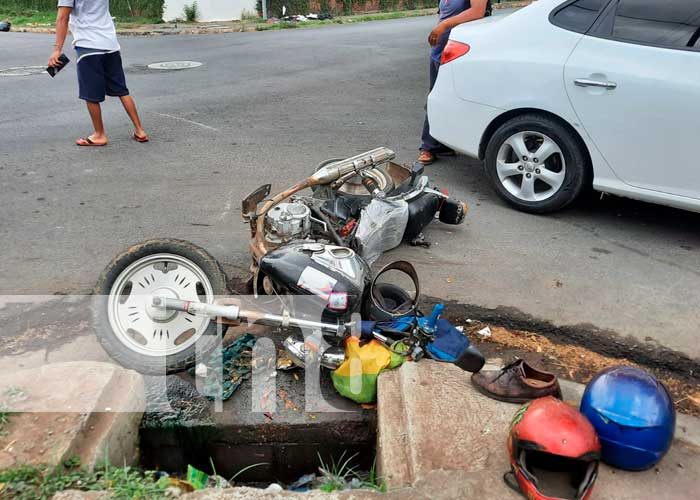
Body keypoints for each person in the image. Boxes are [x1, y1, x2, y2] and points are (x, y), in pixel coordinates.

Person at [48, 0, 148, 146]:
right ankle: (140, 131)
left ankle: (99, 135)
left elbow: (62, 18)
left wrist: (57, 49)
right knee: (122, 90)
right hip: (110, 44)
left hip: (88, 46)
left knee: (91, 94)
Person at [418, 0, 490, 165]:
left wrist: (443, 26)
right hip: (441, 50)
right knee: (437, 97)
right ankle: (439, 144)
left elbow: (477, 11)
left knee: (458, 97)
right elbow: (444, 13)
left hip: (462, 52)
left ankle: (429, 146)